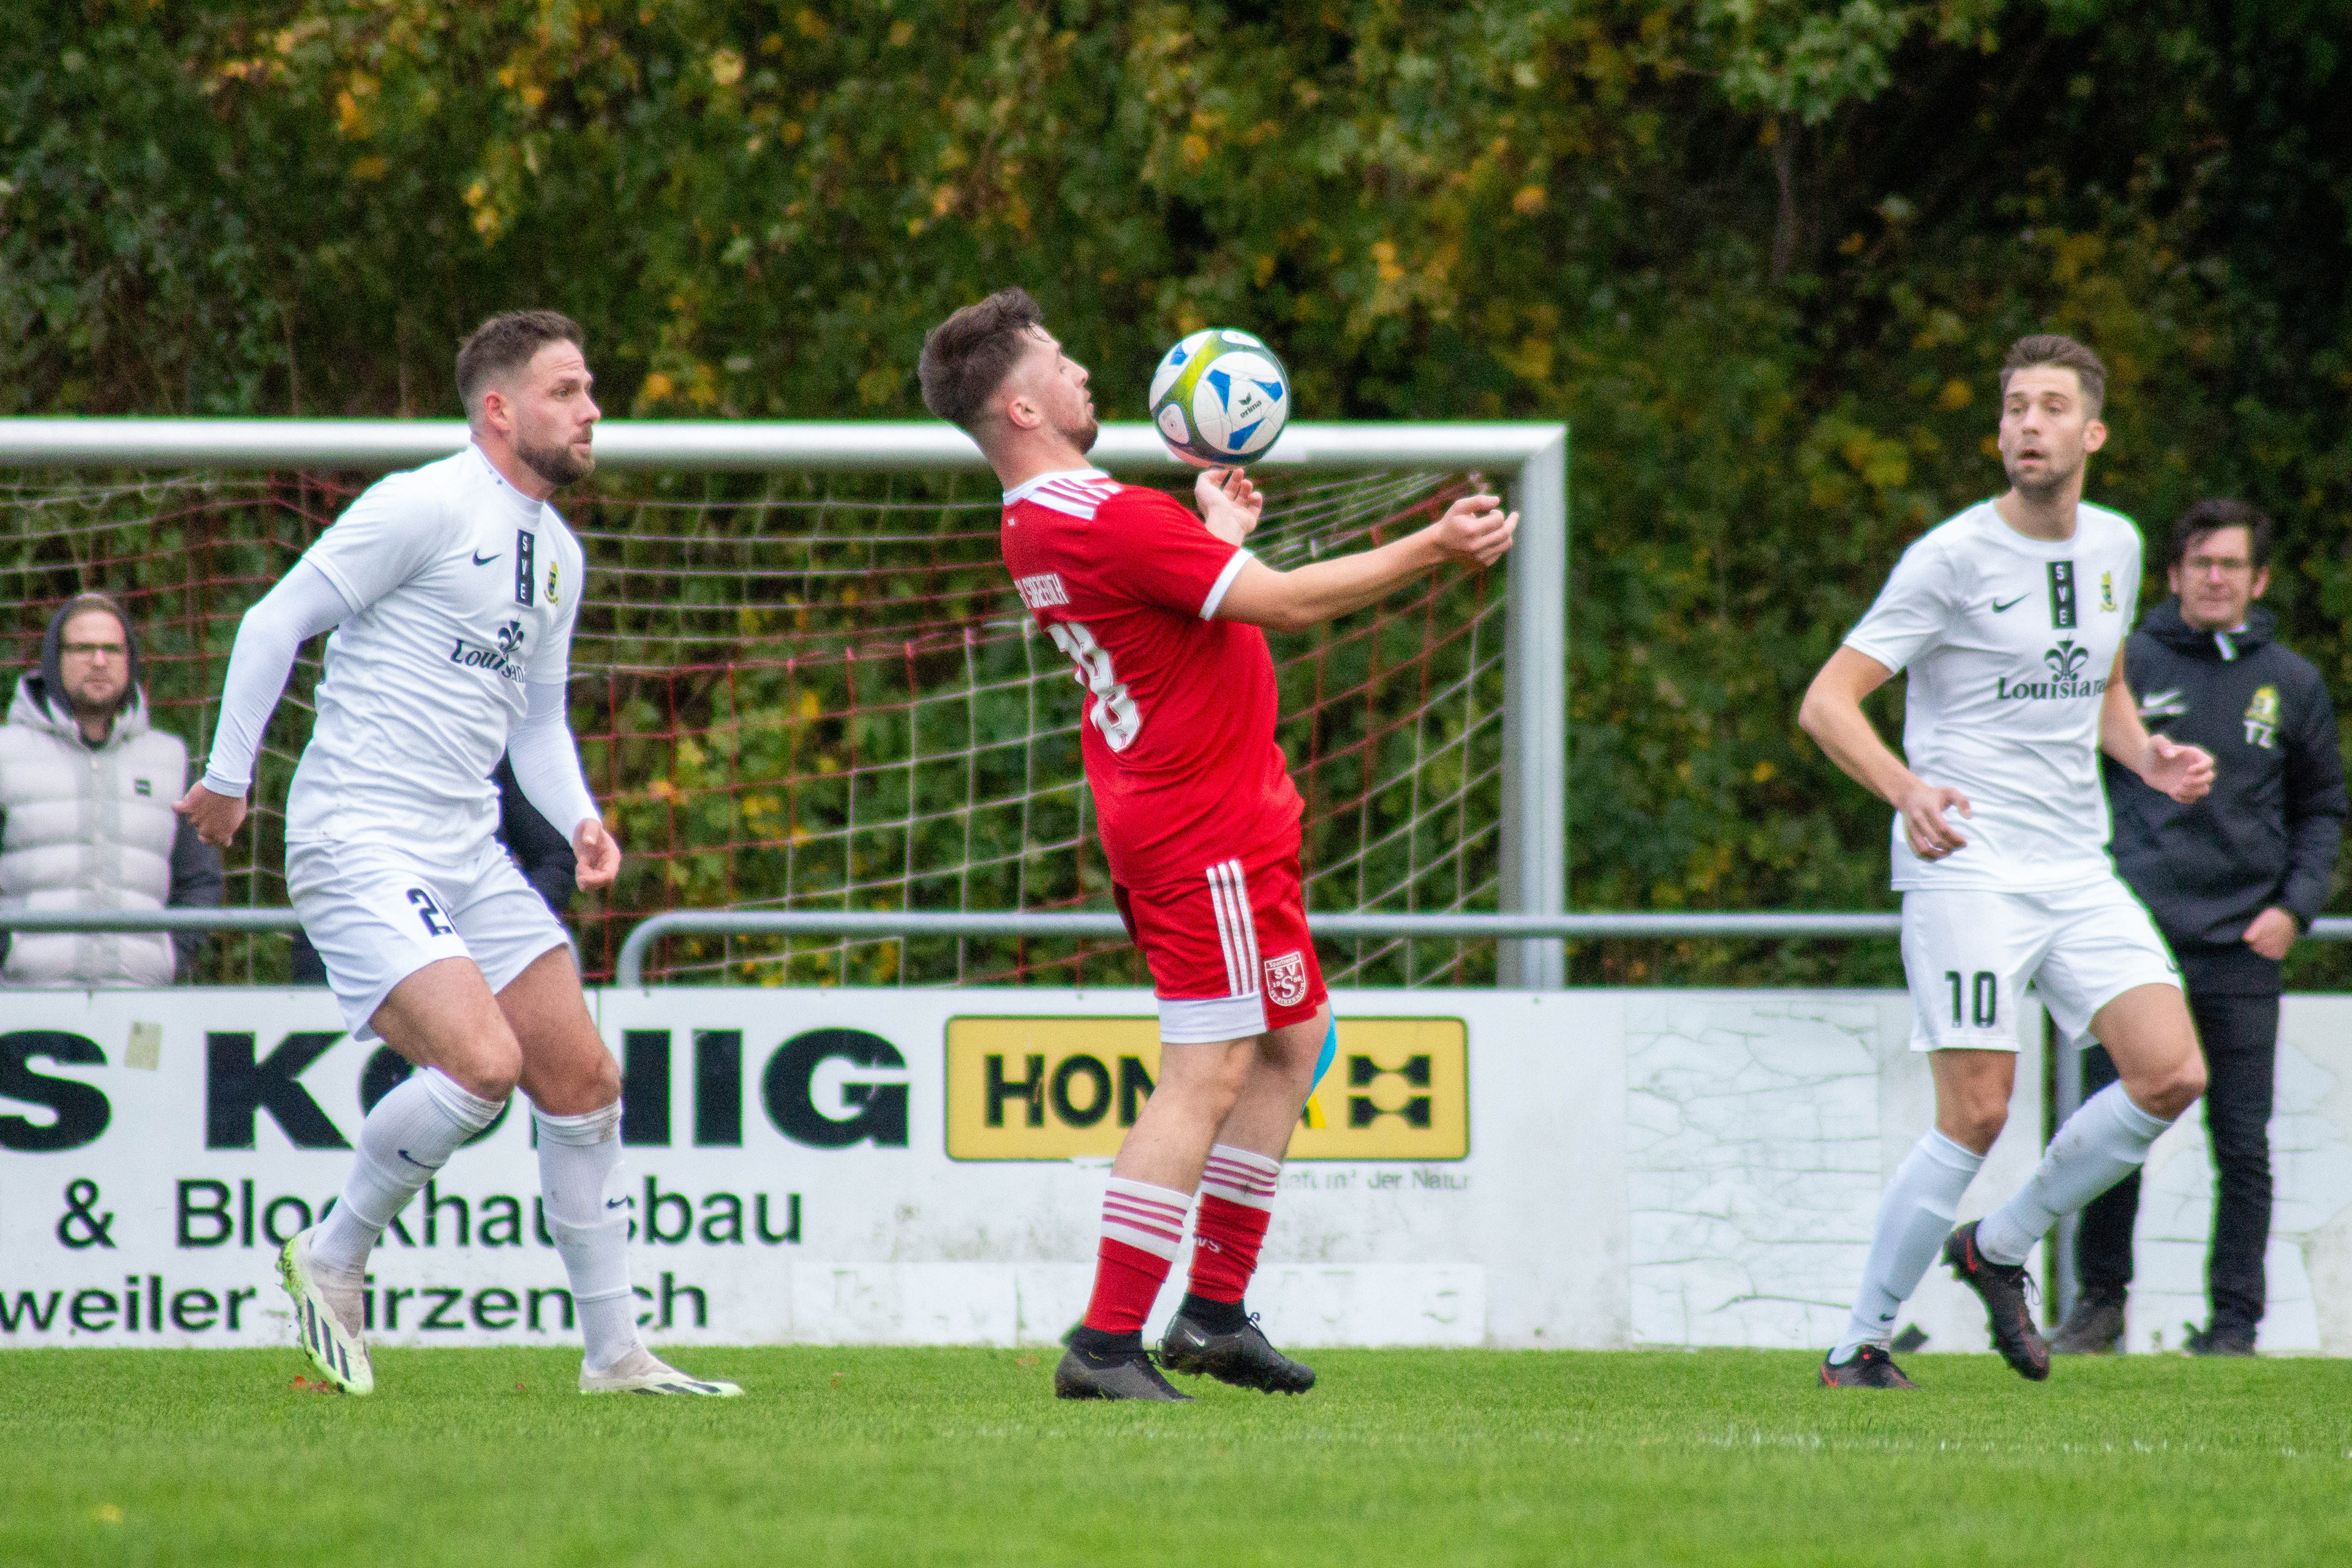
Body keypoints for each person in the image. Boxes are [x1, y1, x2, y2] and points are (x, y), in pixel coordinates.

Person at [918, 288, 1517, 1400]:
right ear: (1020, 407)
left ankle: (1213, 1315)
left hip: (1205, 816)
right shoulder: (1107, 516)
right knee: (1205, 1073)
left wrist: (1212, 541)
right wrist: (1434, 545)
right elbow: (1283, 606)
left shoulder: (1045, 518)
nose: (1082, 370)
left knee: (1295, 1042)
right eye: (1059, 360)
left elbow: (1161, 613)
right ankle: (1106, 1345)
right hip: (1204, 833)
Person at [176, 310, 737, 1398]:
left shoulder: (559, 554)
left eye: (590, 389)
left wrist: (580, 818)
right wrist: (231, 775)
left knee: (585, 1083)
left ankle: (615, 1357)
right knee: (484, 1065)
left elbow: (536, 726)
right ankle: (332, 1256)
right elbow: (273, 621)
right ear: (499, 409)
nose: (592, 410)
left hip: (466, 850)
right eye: (567, 391)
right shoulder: (424, 505)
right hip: (359, 837)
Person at [1798, 333, 2215, 1389]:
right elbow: (1827, 702)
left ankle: (1998, 1245)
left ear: (2093, 433)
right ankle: (1861, 1344)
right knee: (1980, 1110)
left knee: (2171, 1073)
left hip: (2075, 864)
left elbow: (2102, 686)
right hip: (1969, 865)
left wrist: (2148, 757)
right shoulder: (1949, 558)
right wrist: (1906, 789)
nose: (2030, 424)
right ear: (2000, 434)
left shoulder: (2117, 544)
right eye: (2016, 408)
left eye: (2051, 407)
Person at [2049, 500, 2345, 1357]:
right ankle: (2099, 1306)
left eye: (2232, 565)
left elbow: (2323, 807)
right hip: (2132, 945)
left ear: (2259, 579)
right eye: (2201, 563)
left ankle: (2233, 1325)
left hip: (2244, 947)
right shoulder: (2127, 666)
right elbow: (2072, 786)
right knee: (2113, 1130)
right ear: (2174, 574)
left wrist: (2293, 909)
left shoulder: (2291, 683)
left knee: (2241, 1145)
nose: (2216, 578)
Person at [1, 592, 224, 985]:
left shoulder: (169, 760)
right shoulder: (6, 754)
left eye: (112, 649)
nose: (99, 661)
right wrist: (8, 956)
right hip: (25, 1000)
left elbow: (200, 881)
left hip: (139, 1003)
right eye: (83, 648)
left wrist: (170, 957)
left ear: (129, 661)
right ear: (55, 659)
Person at [290, 756, 576, 984]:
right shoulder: (346, 744)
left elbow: (556, 861)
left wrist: (498, 921)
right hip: (362, 944)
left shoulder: (496, 743)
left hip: (480, 954)